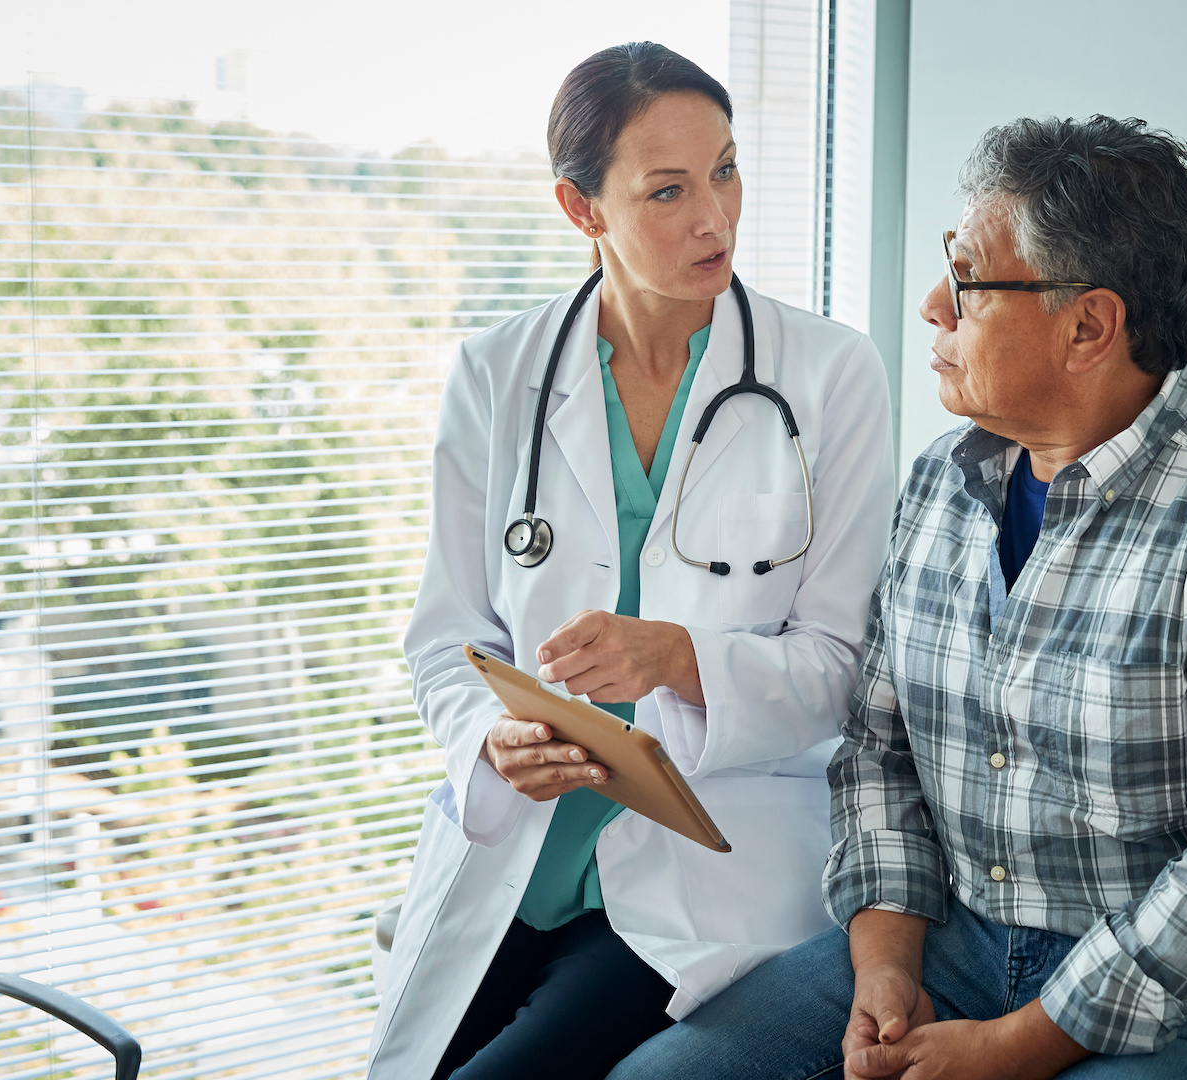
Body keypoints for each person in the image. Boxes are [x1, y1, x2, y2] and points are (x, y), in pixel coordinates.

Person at [612, 116, 1187, 1080]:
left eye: (969, 282)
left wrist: (1016, 1046)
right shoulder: (944, 483)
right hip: (972, 936)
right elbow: (880, 751)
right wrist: (886, 965)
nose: (931, 307)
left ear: (1088, 327)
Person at [365, 43, 896, 1080]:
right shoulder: (496, 374)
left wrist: (679, 658)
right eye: (668, 190)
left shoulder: (831, 374)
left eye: (726, 171)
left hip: (708, 854)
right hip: (519, 845)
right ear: (582, 208)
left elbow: (845, 667)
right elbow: (447, 638)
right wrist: (489, 740)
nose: (715, 218)